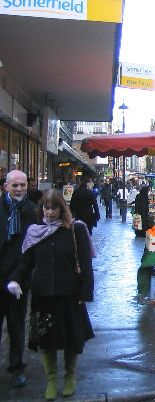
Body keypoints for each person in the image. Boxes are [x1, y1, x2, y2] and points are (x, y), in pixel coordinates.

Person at [7, 189, 94, 399]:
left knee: (71, 338)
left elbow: (85, 263)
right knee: (46, 339)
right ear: (41, 209)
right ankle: (52, 379)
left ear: (62, 209)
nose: (50, 212)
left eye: (54, 208)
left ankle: (70, 376)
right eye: (46, 208)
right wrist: (16, 280)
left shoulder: (76, 230)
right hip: (43, 295)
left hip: (69, 294)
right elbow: (27, 262)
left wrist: (86, 291)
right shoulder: (35, 232)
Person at [0, 170, 38, 387]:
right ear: (6, 187)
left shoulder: (32, 212)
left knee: (16, 327)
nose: (19, 189)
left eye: (22, 185)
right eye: (14, 185)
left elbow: (31, 251)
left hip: (19, 281)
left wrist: (20, 277)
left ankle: (17, 368)